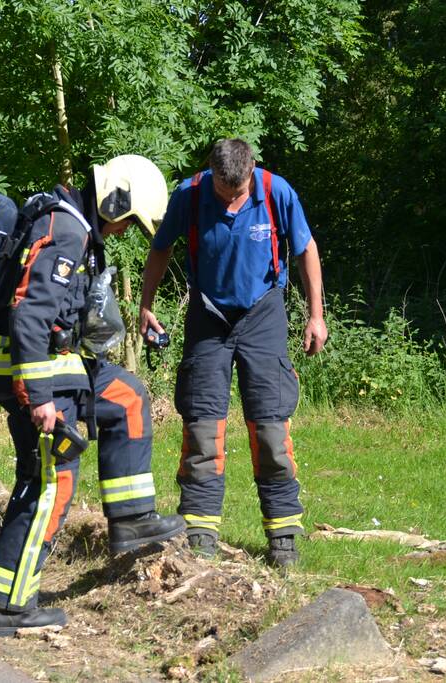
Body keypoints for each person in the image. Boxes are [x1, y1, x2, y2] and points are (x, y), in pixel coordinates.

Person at [0, 155, 186, 636]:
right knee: (52, 486)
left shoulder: (73, 225)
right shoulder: (68, 233)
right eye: (128, 221)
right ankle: (10, 606)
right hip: (42, 378)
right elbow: (30, 316)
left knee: (129, 398)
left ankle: (132, 519)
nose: (123, 232)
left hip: (61, 367)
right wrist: (40, 398)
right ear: (115, 200)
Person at [138, 138, 327, 567]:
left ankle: (283, 536)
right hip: (208, 317)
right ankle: (199, 531)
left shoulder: (277, 191)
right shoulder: (188, 194)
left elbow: (306, 249)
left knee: (270, 428)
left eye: (237, 194)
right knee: (203, 425)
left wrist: (316, 316)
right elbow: (161, 249)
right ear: (211, 176)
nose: (230, 202)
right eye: (223, 194)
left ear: (251, 172)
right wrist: (145, 306)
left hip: (264, 315)